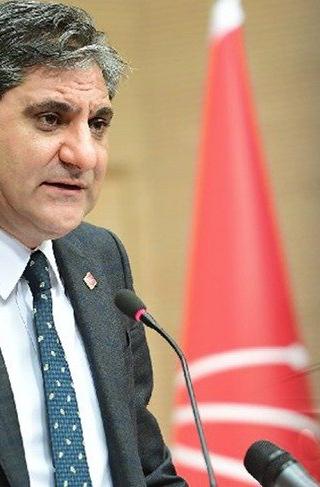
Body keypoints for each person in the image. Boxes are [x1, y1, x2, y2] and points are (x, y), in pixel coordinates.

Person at [0, 1, 185, 485]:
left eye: (97, 124)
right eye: (49, 118)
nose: (84, 155)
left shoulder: (101, 258)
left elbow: (146, 467)